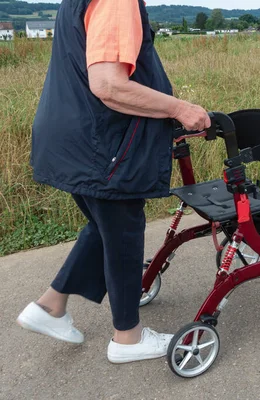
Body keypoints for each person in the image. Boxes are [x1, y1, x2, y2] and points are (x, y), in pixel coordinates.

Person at [16, 0, 211, 364]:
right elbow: (108, 84)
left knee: (104, 225)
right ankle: (128, 338)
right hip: (101, 143)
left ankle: (50, 306)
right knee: (122, 230)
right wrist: (179, 108)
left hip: (72, 137)